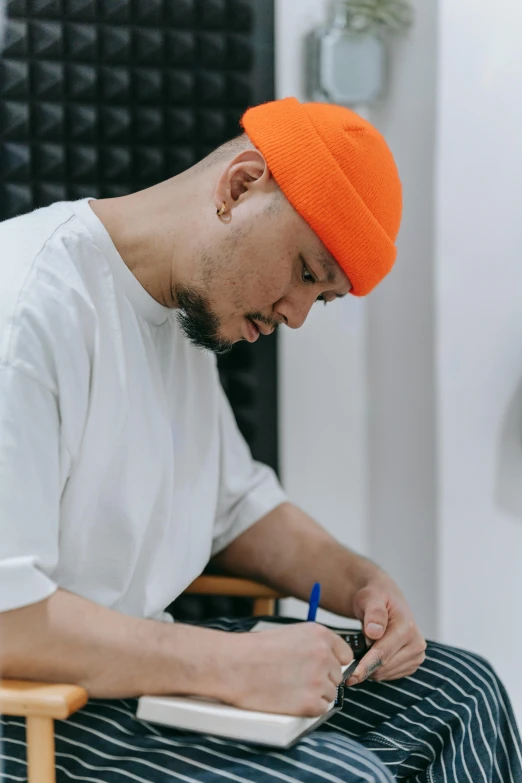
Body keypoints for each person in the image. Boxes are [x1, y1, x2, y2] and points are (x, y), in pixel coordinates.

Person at [0, 97, 520, 783]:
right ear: (240, 186)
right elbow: (13, 622)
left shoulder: (173, 321)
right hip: (33, 709)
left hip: (124, 680)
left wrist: (359, 580)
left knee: (464, 693)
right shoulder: (27, 310)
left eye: (323, 298)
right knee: (341, 776)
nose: (297, 315)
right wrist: (233, 665)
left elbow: (237, 508)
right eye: (306, 273)